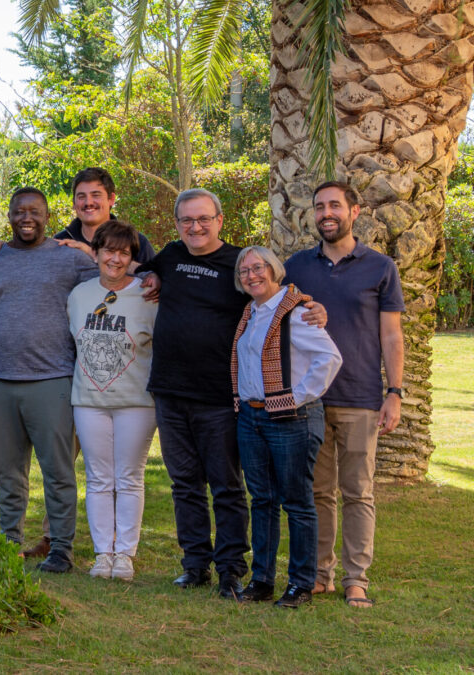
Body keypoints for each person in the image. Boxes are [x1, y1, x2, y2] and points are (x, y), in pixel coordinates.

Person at [135, 188, 327, 598]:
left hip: (221, 396)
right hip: (169, 391)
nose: (195, 227)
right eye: (187, 220)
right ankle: (194, 565)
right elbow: (131, 263)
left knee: (226, 485)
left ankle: (230, 569)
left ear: (219, 220)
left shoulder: (239, 263)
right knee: (184, 484)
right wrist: (150, 276)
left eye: (203, 218)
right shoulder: (169, 256)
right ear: (177, 224)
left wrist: (312, 306)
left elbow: (275, 293)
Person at [0, 166, 155, 559]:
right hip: (67, 375)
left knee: (109, 469)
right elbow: (28, 259)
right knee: (64, 460)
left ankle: (111, 545)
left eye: (96, 196)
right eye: (81, 196)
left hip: (115, 375)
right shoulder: (60, 242)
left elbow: (147, 276)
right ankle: (53, 537)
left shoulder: (130, 239)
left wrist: (99, 257)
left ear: (111, 199)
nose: (88, 203)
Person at [0, 187, 98, 573]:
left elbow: (114, 278)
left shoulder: (69, 259)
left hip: (53, 379)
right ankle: (9, 543)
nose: (27, 218)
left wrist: (89, 251)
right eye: (19, 211)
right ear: (9, 216)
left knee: (58, 470)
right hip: (1, 381)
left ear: (48, 216)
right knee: (7, 469)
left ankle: (62, 549)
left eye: (35, 211)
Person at [283, 181, 404, 609]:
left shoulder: (380, 267)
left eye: (335, 205)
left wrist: (395, 391)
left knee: (358, 492)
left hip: (360, 396)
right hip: (309, 399)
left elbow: (391, 335)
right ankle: (320, 575)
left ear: (355, 211)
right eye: (319, 207)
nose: (326, 213)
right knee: (317, 493)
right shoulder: (296, 267)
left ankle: (356, 579)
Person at [231, 246, 342, 608]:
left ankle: (301, 584)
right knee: (262, 500)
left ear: (274, 269)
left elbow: (329, 358)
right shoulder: (251, 312)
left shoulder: (295, 311)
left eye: (258, 267)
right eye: (244, 271)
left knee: (296, 502)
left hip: (291, 419)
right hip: (252, 417)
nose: (251, 275)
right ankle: (262, 580)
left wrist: (294, 397)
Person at [67, 219, 158, 581]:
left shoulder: (148, 296)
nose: (115, 259)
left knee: (129, 477)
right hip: (88, 399)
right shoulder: (79, 295)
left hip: (135, 400)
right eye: (109, 251)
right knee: (98, 478)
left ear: (132, 257)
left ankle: (125, 555)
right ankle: (103, 553)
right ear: (96, 253)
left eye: (124, 253)